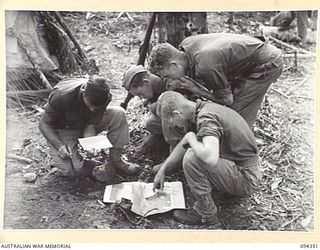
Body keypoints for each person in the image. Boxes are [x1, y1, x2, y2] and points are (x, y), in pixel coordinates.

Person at [153, 91, 261, 225]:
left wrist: (190, 138)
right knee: (193, 150)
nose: (171, 126)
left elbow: (210, 158)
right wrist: (163, 169)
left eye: (170, 121)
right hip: (240, 167)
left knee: (192, 158)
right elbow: (183, 145)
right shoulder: (202, 108)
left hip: (246, 177)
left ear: (176, 114)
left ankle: (206, 214)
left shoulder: (206, 118)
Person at [148, 33, 283, 128]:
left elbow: (227, 101)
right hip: (249, 59)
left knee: (236, 113)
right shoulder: (186, 46)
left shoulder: (206, 65)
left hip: (267, 63)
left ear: (174, 65)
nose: (169, 80)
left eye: (167, 76)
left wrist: (195, 89)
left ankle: (243, 157)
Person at [39, 77, 140, 178]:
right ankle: (93, 164)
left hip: (84, 124)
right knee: (71, 171)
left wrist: (90, 145)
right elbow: (43, 124)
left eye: (96, 108)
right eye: (90, 105)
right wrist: (59, 146)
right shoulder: (61, 96)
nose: (92, 110)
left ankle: (116, 160)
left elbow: (91, 125)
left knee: (118, 113)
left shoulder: (103, 96)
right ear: (83, 92)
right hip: (65, 128)